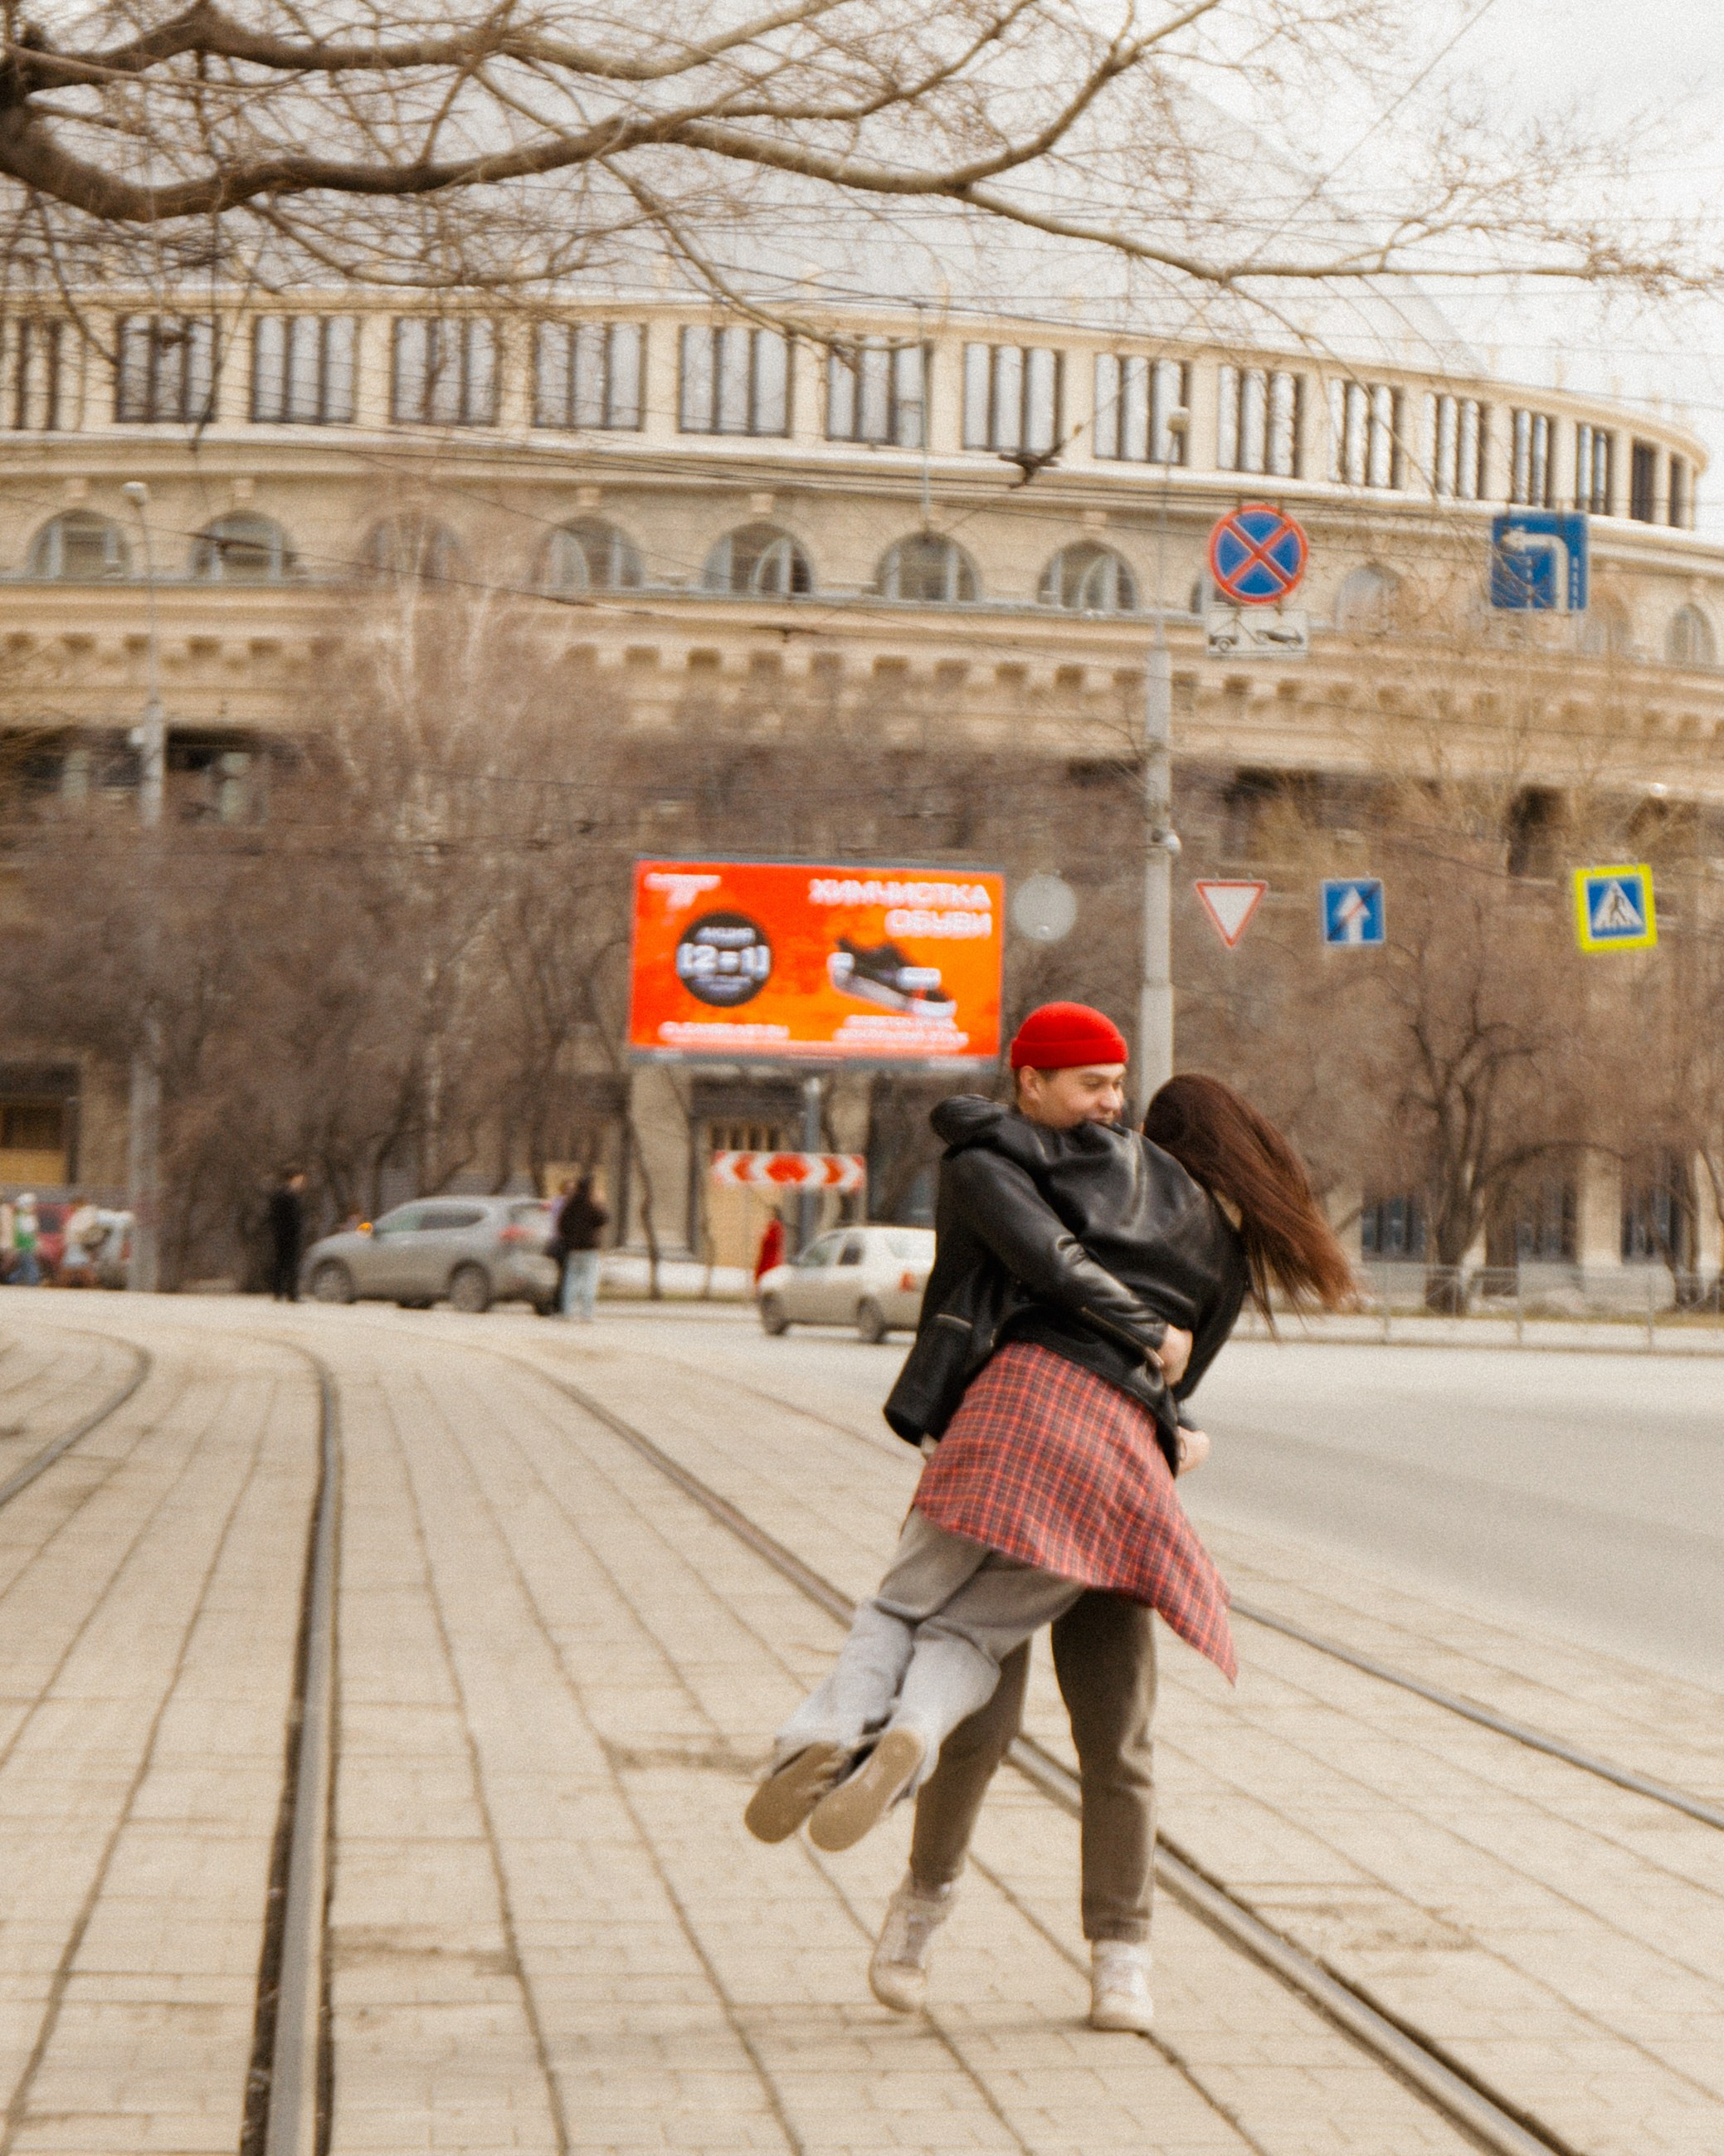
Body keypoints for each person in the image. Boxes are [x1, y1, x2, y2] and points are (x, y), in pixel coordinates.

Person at [747, 1003, 1354, 2032]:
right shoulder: (1115, 1204)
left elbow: (1087, 1336)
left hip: (1007, 1456)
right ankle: (1118, 1960)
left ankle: (919, 1918)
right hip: (1112, 1491)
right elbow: (1162, 1376)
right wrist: (1170, 1423)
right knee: (1111, 1741)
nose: (1111, 1125)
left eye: (1122, 1110)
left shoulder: (1063, 1179)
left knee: (974, 1711)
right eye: (1097, 1096)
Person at [555, 1170, 609, 1320]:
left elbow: (561, 1223)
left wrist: (569, 1238)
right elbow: (604, 1219)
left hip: (574, 1248)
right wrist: (599, 1202)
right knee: (589, 1280)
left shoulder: (571, 1204)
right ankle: (587, 1313)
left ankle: (567, 1312)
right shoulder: (592, 1204)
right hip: (590, 1248)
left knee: (571, 1280)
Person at [267, 1168, 307, 1302]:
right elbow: (287, 1216)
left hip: (284, 1235)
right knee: (288, 1264)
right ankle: (289, 1293)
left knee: (284, 1264)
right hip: (287, 1235)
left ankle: (281, 1292)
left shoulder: (283, 1194)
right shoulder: (287, 1194)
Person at [59, 1193, 102, 1287]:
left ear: (78, 1204)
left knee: (73, 1268)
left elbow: (84, 1228)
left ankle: (61, 1287)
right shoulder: (80, 1214)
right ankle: (93, 1286)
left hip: (78, 1243)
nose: (71, 1207)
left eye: (73, 1205)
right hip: (75, 1243)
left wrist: (75, 1233)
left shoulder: (86, 1214)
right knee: (79, 1267)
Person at [10, 1194, 42, 1286]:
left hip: (22, 1246)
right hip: (26, 1246)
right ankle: (33, 1283)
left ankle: (11, 1280)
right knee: (31, 1266)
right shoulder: (26, 1218)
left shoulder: (18, 1217)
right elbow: (30, 1233)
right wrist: (35, 1245)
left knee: (23, 1266)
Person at [753, 1212, 786, 1286]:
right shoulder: (775, 1226)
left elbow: (772, 1240)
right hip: (768, 1257)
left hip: (770, 1258)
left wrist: (764, 1235)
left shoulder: (775, 1226)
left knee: (765, 1278)